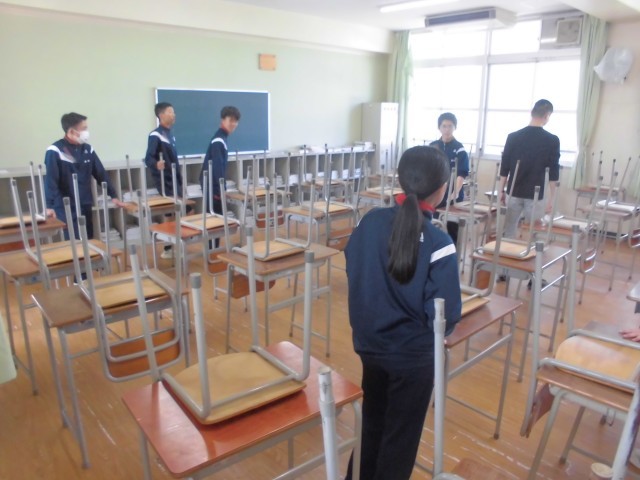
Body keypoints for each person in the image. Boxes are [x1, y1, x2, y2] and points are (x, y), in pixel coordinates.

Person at [344, 145, 462, 480]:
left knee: (372, 422)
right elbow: (444, 317)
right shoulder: (440, 243)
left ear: (400, 179)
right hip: (412, 358)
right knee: (400, 439)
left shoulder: (369, 222)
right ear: (441, 190)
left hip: (369, 345)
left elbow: (354, 269)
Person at [44, 112, 125, 240]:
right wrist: (50, 206)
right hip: (66, 206)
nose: (86, 132)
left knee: (88, 237)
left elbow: (101, 174)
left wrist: (113, 195)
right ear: (72, 131)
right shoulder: (55, 151)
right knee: (74, 240)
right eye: (84, 129)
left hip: (85, 202)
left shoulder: (88, 149)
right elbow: (51, 181)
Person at [499, 99, 560, 239]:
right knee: (533, 232)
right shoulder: (552, 140)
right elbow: (553, 172)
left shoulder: (513, 137)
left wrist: (501, 190)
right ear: (547, 116)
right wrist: (552, 198)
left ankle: (507, 250)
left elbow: (505, 167)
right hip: (536, 193)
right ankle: (529, 251)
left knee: (509, 230)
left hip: (514, 190)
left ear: (532, 112)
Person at [145, 102, 184, 259]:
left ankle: (174, 245)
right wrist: (156, 164)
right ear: (161, 115)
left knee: (177, 211)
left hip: (175, 178)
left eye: (173, 112)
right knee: (173, 212)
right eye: (170, 112)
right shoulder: (156, 135)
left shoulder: (170, 134)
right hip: (165, 180)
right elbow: (148, 158)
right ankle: (169, 247)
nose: (173, 115)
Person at [429, 112, 469, 246]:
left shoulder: (459, 149)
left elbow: (461, 174)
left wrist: (455, 193)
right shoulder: (433, 146)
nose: (447, 129)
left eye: (450, 126)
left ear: (455, 127)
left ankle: (452, 253)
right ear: (439, 127)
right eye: (444, 126)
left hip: (452, 194)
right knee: (434, 225)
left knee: (451, 228)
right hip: (435, 193)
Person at [200, 106, 241, 216]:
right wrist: (221, 189)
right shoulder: (218, 140)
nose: (233, 124)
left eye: (236, 121)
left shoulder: (222, 138)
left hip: (214, 187)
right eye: (230, 120)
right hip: (213, 188)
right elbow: (217, 167)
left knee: (218, 219)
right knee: (216, 220)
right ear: (223, 120)